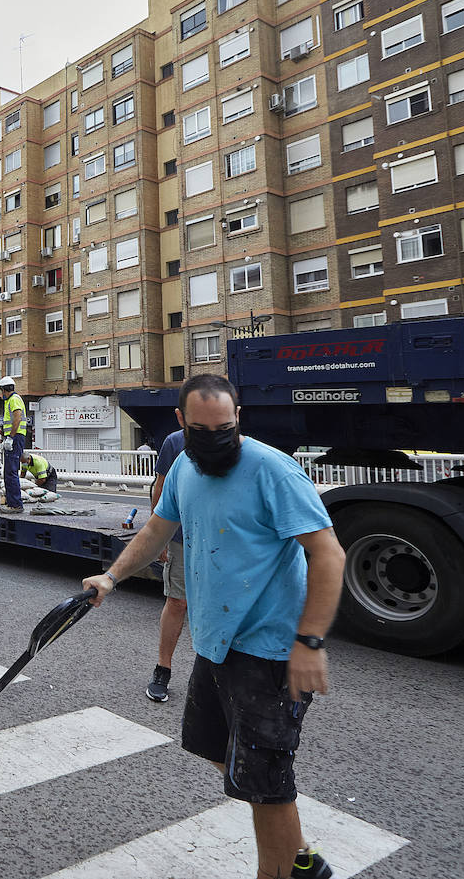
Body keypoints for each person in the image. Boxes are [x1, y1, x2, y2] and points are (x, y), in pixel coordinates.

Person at [81, 374, 345, 879]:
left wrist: (309, 640)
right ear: (181, 423)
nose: (215, 437)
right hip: (215, 644)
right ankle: (302, 858)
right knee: (229, 759)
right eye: (202, 429)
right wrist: (111, 577)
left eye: (225, 426)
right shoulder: (184, 465)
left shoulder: (273, 470)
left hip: (267, 650)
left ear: (238, 417)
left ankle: (283, 871)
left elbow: (329, 554)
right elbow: (159, 527)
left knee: (264, 783)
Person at [145, 428, 187, 703]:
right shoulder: (175, 442)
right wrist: (157, 538)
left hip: (222, 542)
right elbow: (160, 488)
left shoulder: (239, 442)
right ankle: (163, 668)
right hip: (182, 537)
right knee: (177, 601)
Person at [0, 376, 27, 513]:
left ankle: (15, 505)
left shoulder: (14, 399)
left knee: (11, 472)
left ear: (4, 390)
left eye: (1, 391)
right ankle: (11, 502)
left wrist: (10, 437)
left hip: (16, 438)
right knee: (8, 472)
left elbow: (17, 417)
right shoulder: (10, 400)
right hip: (14, 438)